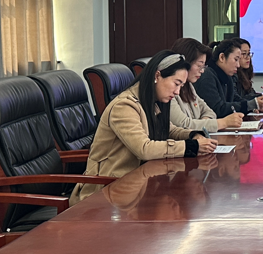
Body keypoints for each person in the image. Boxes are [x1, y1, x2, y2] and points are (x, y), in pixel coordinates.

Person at [71, 50, 218, 204]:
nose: (177, 92)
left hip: (136, 185)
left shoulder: (150, 101)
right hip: (107, 191)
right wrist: (192, 146)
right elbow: (144, 149)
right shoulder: (124, 106)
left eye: (181, 86)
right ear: (157, 76)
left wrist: (193, 136)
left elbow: (170, 130)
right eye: (176, 84)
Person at [169, 38, 244, 132]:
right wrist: (224, 122)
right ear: (185, 63)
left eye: (203, 66)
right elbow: (184, 125)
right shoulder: (170, 90)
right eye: (199, 65)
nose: (202, 71)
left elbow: (210, 112)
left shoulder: (189, 87)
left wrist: (201, 124)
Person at [195, 39, 263, 117]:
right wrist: (251, 105)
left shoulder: (227, 76)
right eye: (236, 59)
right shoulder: (207, 77)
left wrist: (253, 107)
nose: (238, 65)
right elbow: (218, 109)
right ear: (222, 57)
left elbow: (235, 100)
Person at [234, 37, 263, 103]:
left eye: (248, 53)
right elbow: (237, 100)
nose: (248, 57)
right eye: (244, 54)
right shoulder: (232, 75)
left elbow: (250, 94)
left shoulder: (244, 73)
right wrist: (262, 97)